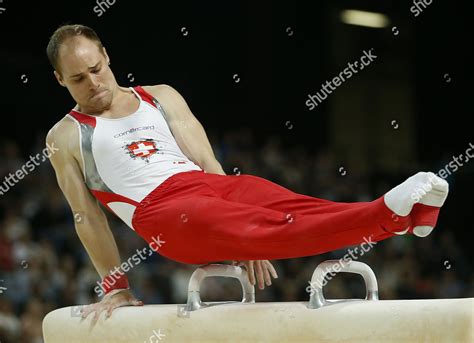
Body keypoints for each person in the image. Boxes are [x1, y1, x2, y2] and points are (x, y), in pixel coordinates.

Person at [45, 24, 449, 324]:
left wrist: (237, 234)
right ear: (60, 80)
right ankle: (388, 214)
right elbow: (87, 217)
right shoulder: (65, 136)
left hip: (209, 189)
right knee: (280, 230)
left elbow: (210, 167)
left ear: (107, 56)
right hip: (165, 215)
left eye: (96, 69)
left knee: (286, 203)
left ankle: (407, 218)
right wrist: (117, 287)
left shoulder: (160, 96)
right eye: (78, 79)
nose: (93, 83)